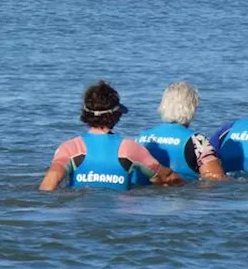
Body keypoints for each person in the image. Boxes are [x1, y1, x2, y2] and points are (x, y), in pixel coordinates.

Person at [40, 80, 181, 190]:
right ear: (117, 115)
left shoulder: (70, 148)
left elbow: (49, 184)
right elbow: (167, 178)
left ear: (85, 114)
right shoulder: (131, 149)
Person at [133, 81, 226, 182]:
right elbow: (215, 178)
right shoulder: (197, 141)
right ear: (192, 108)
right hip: (182, 192)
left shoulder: (141, 138)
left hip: (145, 195)